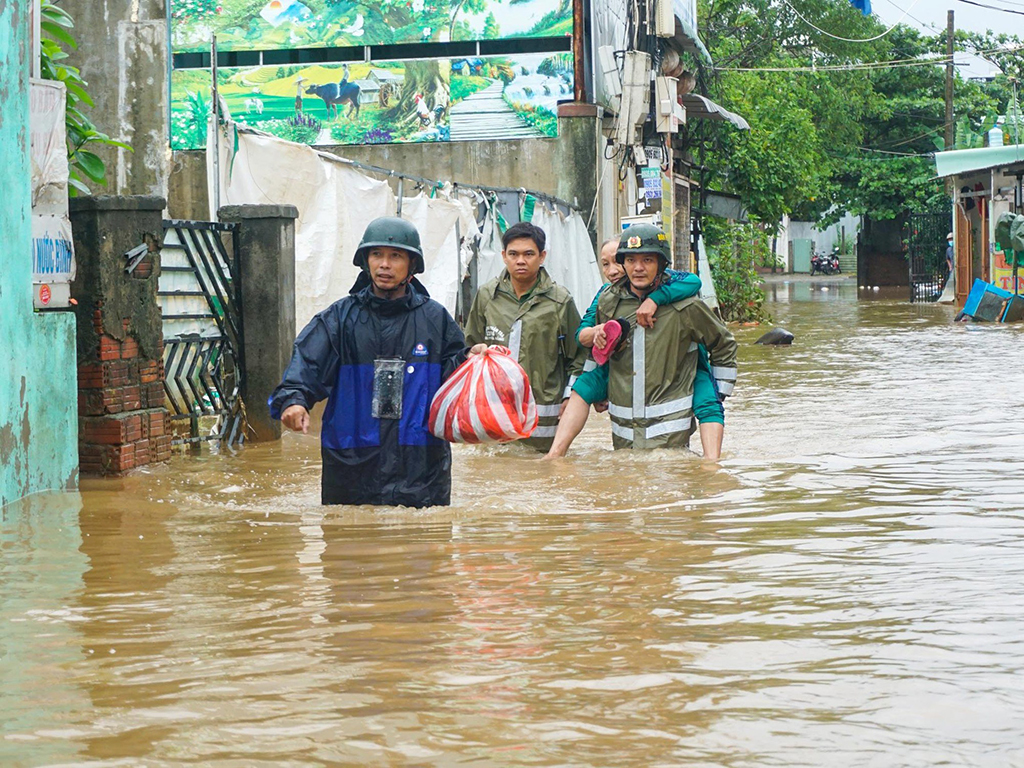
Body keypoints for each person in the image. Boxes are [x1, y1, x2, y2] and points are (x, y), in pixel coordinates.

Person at [269, 217, 467, 507]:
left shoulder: (435, 320)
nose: (384, 264)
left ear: (412, 265)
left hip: (420, 468)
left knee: (424, 546)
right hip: (352, 468)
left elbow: (457, 376)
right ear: (366, 260)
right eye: (377, 255)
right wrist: (294, 401)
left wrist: (475, 359)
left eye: (395, 256)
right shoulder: (338, 318)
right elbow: (306, 365)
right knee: (349, 545)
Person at [544, 238, 727, 459]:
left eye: (617, 262)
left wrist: (656, 299)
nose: (613, 271)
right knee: (583, 387)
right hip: (622, 367)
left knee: (708, 402)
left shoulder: (679, 291)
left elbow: (694, 283)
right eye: (607, 264)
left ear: (659, 265)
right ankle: (554, 455)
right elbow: (584, 338)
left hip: (684, 366)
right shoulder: (607, 297)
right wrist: (597, 334)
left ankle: (712, 464)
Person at [596, 224, 737, 452]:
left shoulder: (687, 307)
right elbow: (598, 351)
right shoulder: (608, 303)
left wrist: (719, 392)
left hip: (671, 438)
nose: (638, 268)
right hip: (623, 437)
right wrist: (598, 391)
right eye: (631, 260)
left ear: (662, 264)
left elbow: (723, 344)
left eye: (648, 260)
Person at [464, 221, 585, 451]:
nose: (521, 261)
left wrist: (570, 396)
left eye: (529, 254)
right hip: (493, 414)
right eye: (514, 254)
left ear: (542, 257)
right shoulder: (487, 296)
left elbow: (578, 357)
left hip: (543, 423)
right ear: (503, 256)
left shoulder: (560, 301)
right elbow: (471, 346)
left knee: (541, 478)